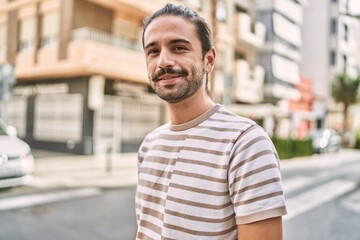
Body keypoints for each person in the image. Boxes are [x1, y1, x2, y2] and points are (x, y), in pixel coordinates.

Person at [135, 3, 287, 239]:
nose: (163, 61)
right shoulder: (149, 144)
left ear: (209, 60)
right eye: (153, 51)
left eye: (178, 47)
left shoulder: (246, 145)